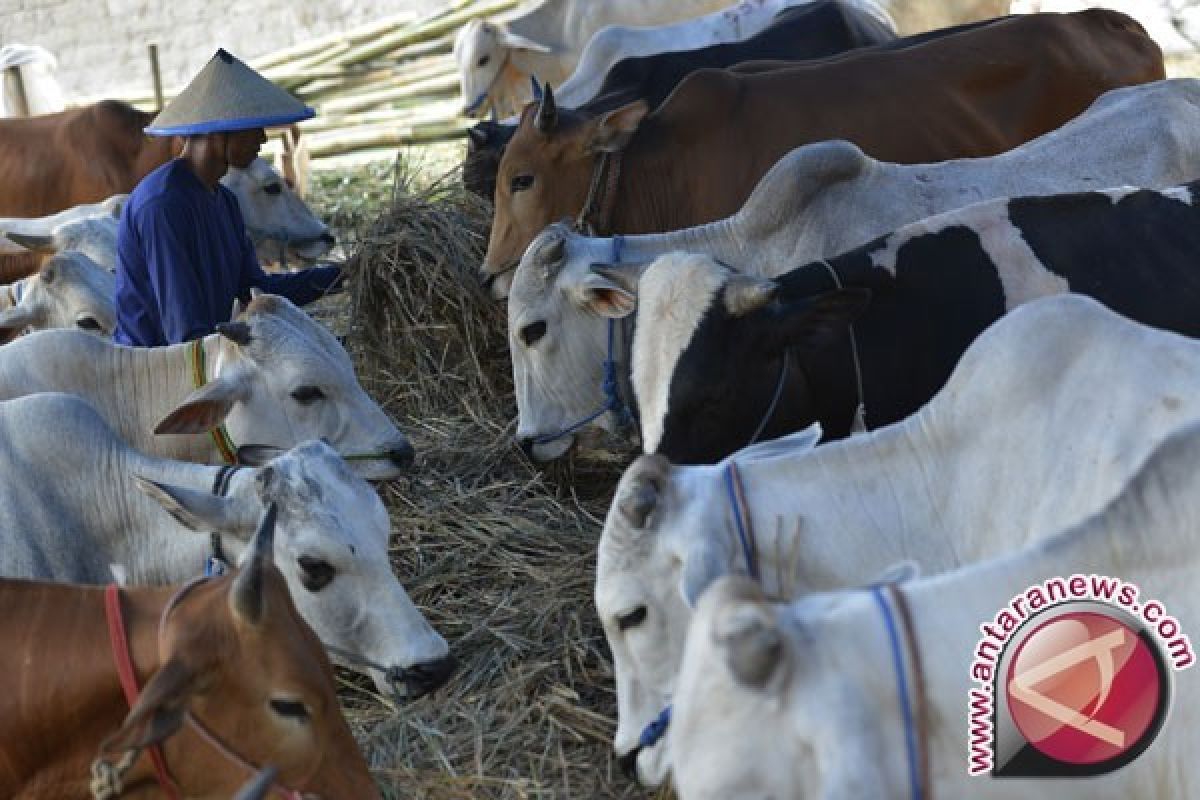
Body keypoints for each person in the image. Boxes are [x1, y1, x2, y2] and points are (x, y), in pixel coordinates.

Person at [114, 48, 342, 347]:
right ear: (218, 133)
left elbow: (257, 287)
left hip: (202, 355)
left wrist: (342, 276)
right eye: (252, 128)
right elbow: (184, 334)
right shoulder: (163, 205)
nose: (262, 139)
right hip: (154, 372)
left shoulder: (224, 202)